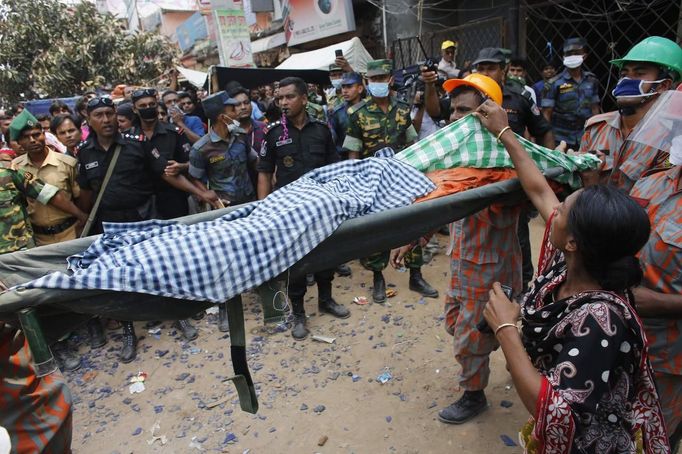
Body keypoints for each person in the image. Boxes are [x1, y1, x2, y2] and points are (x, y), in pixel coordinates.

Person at [474, 98, 670, 453]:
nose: (554, 211)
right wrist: (504, 131)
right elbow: (538, 188)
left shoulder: (601, 320)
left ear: (575, 241)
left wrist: (506, 330)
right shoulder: (569, 263)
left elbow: (552, 410)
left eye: (562, 211)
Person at [393, 74, 522, 424]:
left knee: (470, 337)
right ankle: (511, 353)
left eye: (463, 110)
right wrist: (416, 236)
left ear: (488, 113)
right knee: (458, 324)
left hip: (491, 272)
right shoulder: (457, 162)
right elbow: (444, 205)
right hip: (463, 267)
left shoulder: (505, 162)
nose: (452, 119)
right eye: (452, 111)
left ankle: (473, 394)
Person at [75, 96, 219, 362]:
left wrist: (202, 193)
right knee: (120, 279)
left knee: (160, 267)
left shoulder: (136, 144)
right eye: (99, 115)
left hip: (144, 217)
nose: (106, 120)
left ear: (116, 114)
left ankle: (178, 316)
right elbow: (85, 193)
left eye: (109, 113)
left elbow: (167, 173)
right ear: (89, 120)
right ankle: (129, 330)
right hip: (110, 224)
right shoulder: (84, 152)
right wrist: (83, 219)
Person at [257, 76, 350, 340]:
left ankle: (326, 299)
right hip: (289, 211)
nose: (283, 102)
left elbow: (335, 169)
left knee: (325, 256)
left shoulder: (322, 130)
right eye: (280, 98)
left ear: (304, 99)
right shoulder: (273, 133)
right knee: (295, 263)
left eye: (289, 97)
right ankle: (298, 312)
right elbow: (264, 174)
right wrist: (264, 213)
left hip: (322, 208)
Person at [343, 59, 436, 303]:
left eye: (381, 79)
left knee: (412, 224)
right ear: (367, 82)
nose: (377, 83)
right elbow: (353, 153)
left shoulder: (403, 110)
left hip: (402, 179)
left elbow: (413, 143)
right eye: (373, 80)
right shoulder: (356, 114)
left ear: (390, 80)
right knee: (377, 229)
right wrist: (355, 185)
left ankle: (416, 276)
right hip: (373, 182)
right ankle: (378, 279)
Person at [581, 36, 682, 192]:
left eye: (639, 74)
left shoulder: (670, 142)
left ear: (663, 85)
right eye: (624, 74)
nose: (627, 80)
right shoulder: (596, 127)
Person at [11, 111, 81, 246]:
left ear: (44, 135)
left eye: (36, 134)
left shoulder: (67, 163)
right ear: (19, 142)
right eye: (26, 137)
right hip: (38, 240)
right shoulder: (15, 168)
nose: (32, 140)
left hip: (71, 234)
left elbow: (80, 198)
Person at [541, 37, 600, 150]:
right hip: (561, 137)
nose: (573, 56)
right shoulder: (553, 83)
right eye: (569, 54)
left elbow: (595, 109)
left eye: (577, 53)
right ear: (563, 57)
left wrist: (597, 135)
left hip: (586, 136)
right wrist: (550, 146)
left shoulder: (591, 80)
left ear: (584, 55)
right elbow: (546, 115)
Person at [329, 72, 365, 157]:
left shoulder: (370, 108)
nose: (344, 91)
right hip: (345, 158)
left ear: (360, 89)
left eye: (349, 87)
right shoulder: (337, 112)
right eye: (343, 87)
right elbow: (332, 139)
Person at [229, 86, 267, 159]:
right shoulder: (228, 132)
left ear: (251, 105)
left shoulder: (263, 128)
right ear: (232, 108)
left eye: (246, 103)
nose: (243, 107)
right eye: (238, 104)